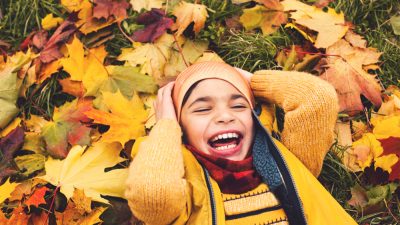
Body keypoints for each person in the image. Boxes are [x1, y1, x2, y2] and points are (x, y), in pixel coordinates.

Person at [125, 61, 358, 225]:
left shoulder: (289, 161)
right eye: (203, 109)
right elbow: (152, 196)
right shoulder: (186, 190)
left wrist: (254, 83)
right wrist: (165, 125)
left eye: (238, 105)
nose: (225, 116)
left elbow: (317, 100)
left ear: (254, 115)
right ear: (181, 127)